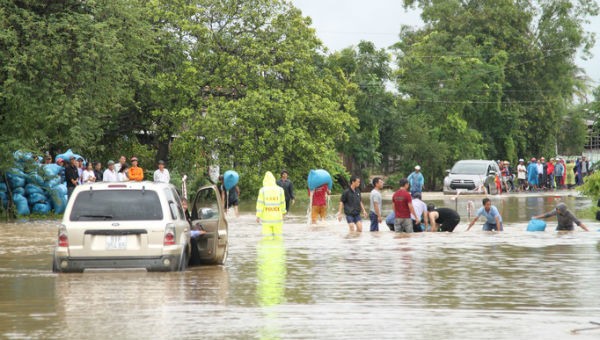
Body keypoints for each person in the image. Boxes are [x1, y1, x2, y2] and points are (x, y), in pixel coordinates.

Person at [256, 171, 287, 236]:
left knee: (266, 238)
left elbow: (260, 204)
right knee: (278, 237)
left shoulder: (262, 190)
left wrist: (258, 216)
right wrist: (284, 213)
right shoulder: (280, 190)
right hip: (277, 219)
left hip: (266, 219)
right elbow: (282, 203)